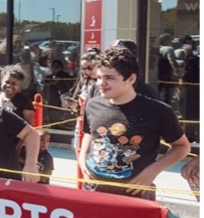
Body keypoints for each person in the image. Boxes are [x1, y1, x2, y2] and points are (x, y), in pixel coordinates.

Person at [78, 46, 190, 199]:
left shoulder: (158, 111)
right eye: (98, 77)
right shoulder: (93, 105)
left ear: (131, 79)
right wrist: (82, 159)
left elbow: (182, 146)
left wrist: (153, 171)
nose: (101, 83)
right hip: (92, 190)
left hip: (135, 193)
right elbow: (89, 133)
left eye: (110, 78)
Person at [0, 65, 54, 183]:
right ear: (1, 80)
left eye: (14, 83)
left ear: (19, 86)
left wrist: (19, 147)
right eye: (7, 82)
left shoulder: (23, 101)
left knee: (10, 178)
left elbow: (29, 127)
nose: (9, 85)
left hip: (13, 145)